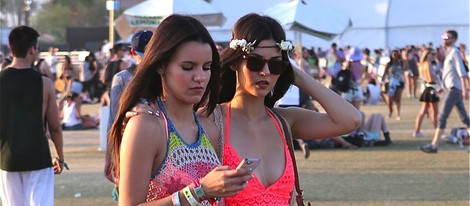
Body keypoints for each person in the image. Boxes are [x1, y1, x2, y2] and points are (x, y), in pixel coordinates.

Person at [214, 13, 360, 204]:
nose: (265, 72)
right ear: (235, 62)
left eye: (275, 65)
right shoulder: (211, 122)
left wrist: (295, 74)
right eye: (255, 62)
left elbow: (350, 120)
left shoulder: (285, 122)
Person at [106, 15, 252, 205]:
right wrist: (199, 191)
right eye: (188, 67)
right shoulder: (147, 126)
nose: (199, 77)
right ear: (160, 66)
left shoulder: (209, 126)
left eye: (207, 67)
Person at [0, 25, 65, 205]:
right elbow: (54, 127)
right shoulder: (44, 83)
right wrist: (60, 156)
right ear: (32, 49)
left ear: (11, 47)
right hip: (38, 157)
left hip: (7, 159)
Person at [420, 30, 470, 153]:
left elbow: (462, 72)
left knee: (442, 117)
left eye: (447, 37)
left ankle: (434, 145)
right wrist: (443, 86)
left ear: (453, 39)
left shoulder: (455, 52)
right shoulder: (448, 53)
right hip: (451, 89)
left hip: (454, 90)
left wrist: (465, 89)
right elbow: (449, 74)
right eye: (443, 37)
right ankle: (434, 145)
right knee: (465, 119)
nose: (444, 39)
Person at [107, 29, 153, 132]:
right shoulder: (166, 75)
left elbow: (113, 119)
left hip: (131, 135)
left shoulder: (121, 78)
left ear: (132, 51)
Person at [413, 49, 440, 138]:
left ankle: (417, 131)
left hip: (428, 88)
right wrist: (438, 77)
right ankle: (437, 130)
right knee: (434, 112)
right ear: (428, 55)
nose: (434, 56)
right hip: (431, 88)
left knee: (424, 111)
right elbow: (430, 78)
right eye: (432, 54)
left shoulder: (424, 64)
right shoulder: (427, 64)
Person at [382, 49, 405, 120]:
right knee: (389, 98)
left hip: (399, 82)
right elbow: (385, 73)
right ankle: (390, 111)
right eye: (393, 54)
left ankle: (398, 113)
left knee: (397, 99)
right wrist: (382, 82)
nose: (395, 56)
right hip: (390, 82)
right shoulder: (389, 64)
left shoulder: (401, 63)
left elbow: (405, 69)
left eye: (396, 54)